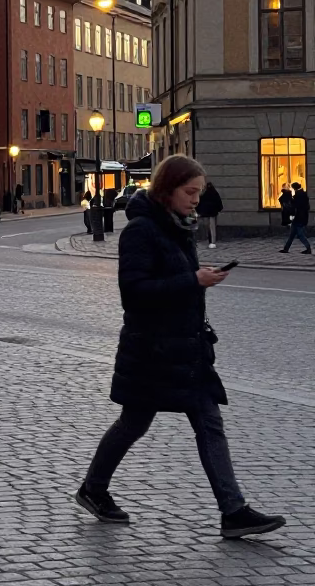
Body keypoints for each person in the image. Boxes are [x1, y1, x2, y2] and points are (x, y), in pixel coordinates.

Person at [75, 155, 285, 539]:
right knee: (133, 423)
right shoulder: (141, 231)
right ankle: (93, 489)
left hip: (186, 350)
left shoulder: (177, 227)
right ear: (167, 190)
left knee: (207, 421)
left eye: (199, 193)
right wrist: (194, 280)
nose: (196, 201)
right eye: (190, 192)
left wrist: (197, 281)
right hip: (152, 351)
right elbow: (134, 293)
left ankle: (232, 510)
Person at [281, 181, 311, 254]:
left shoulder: (299, 195)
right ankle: (286, 249)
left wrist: (289, 200)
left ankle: (308, 248)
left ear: (295, 188)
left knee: (300, 234)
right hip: (299, 217)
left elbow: (296, 205)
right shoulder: (302, 194)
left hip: (300, 217)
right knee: (292, 234)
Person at [197, 181, 223, 249]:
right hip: (212, 213)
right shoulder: (214, 193)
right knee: (212, 228)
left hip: (205, 213)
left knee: (207, 227)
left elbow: (199, 203)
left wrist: (198, 212)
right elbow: (219, 202)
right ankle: (212, 241)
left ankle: (209, 240)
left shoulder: (203, 194)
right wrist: (219, 209)